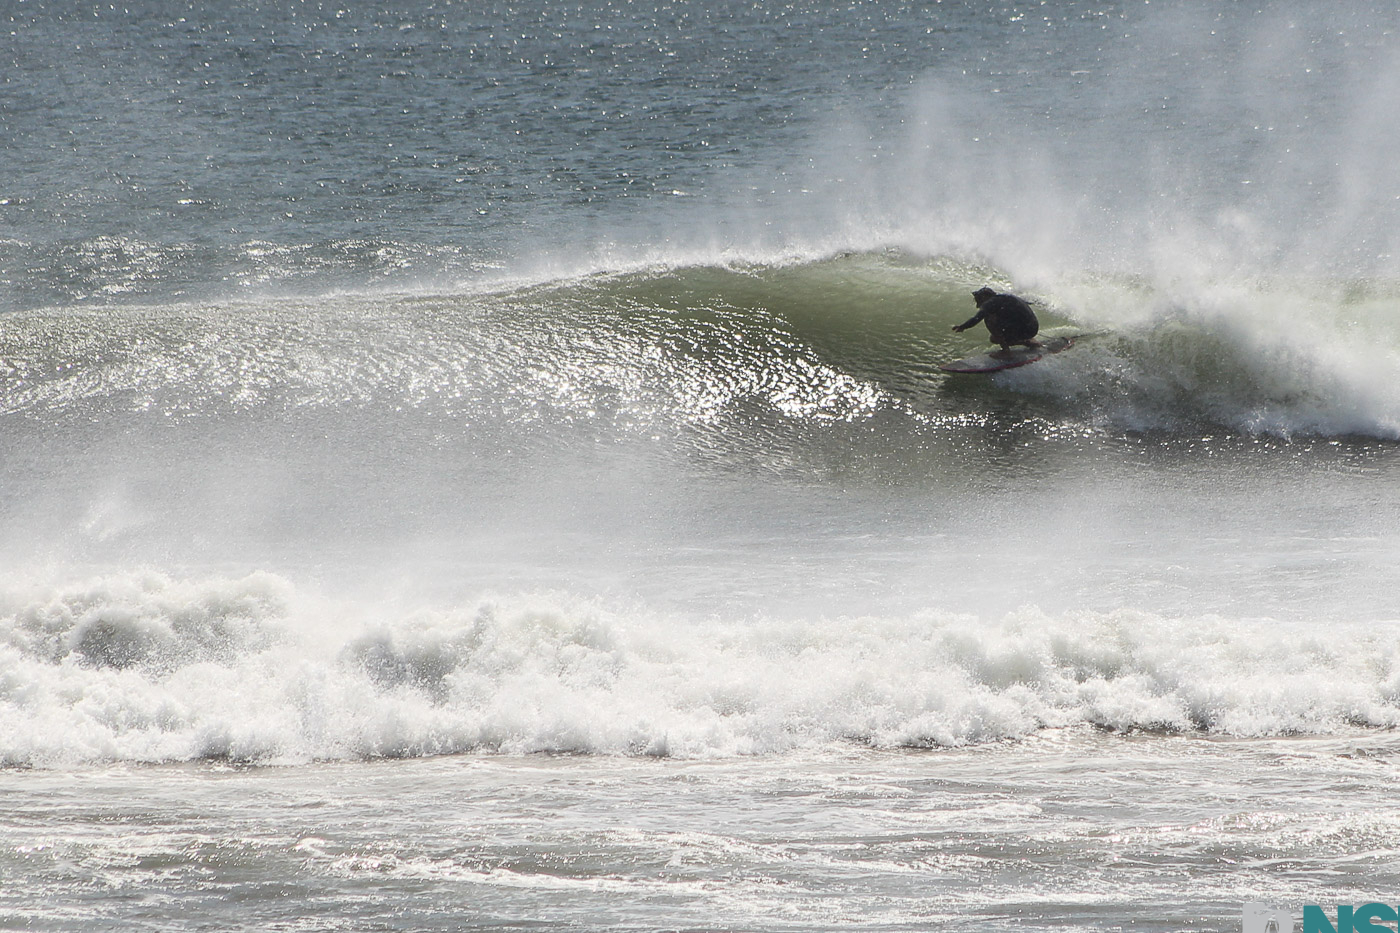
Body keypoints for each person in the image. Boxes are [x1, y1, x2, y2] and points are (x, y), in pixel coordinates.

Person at [952, 287, 1040, 351]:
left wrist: (962, 327)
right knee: (994, 337)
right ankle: (1028, 342)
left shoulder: (990, 302)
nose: (978, 305)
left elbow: (976, 318)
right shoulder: (1004, 297)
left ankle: (1006, 352)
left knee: (989, 320)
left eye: (978, 300)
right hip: (1032, 328)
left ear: (984, 297)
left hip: (1025, 330)